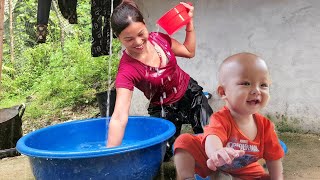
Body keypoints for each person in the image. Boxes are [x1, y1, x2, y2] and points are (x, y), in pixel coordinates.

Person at [106, 0, 213, 161]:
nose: (138, 42)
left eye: (141, 33)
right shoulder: (127, 70)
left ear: (144, 24)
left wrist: (189, 24)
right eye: (129, 39)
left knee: (212, 139)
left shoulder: (159, 39)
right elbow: (119, 116)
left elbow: (189, 51)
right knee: (162, 156)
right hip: (163, 107)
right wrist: (109, 156)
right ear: (118, 37)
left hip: (189, 93)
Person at [174, 52, 285, 179]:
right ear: (223, 92)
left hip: (243, 168)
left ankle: (226, 176)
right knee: (184, 141)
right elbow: (212, 137)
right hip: (211, 160)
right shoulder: (221, 119)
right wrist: (216, 152)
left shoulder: (265, 126)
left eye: (263, 85)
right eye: (246, 83)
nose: (256, 90)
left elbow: (274, 158)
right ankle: (188, 177)